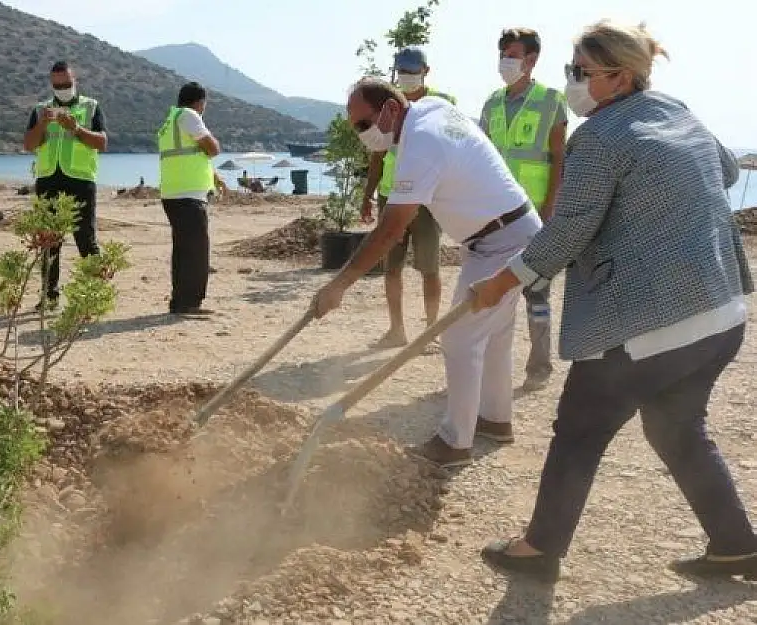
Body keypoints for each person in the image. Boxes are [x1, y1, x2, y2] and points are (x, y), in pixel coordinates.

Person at [472, 20, 757, 583]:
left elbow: (570, 228)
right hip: (720, 312)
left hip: (648, 323)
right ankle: (736, 545)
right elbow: (724, 170)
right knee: (676, 426)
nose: (573, 84)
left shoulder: (598, 138)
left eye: (580, 73)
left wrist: (502, 282)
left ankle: (539, 550)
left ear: (619, 77)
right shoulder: (677, 111)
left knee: (580, 429)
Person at [312, 77, 541, 468]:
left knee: (460, 339)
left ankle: (454, 443)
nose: (362, 135)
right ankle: (495, 420)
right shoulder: (431, 110)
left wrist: (339, 284)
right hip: (506, 232)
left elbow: (390, 230)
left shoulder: (422, 142)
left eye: (363, 125)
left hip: (501, 239)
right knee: (495, 335)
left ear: (390, 109)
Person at [480, 28, 568, 391]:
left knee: (536, 292)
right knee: (491, 290)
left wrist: (550, 208)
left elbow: (560, 158)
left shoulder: (551, 100)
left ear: (531, 60)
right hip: (495, 214)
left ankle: (539, 367)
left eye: (512, 54)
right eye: (502, 52)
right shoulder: (492, 103)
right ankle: (485, 363)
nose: (505, 60)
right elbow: (481, 158)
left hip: (534, 216)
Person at [361, 46, 457, 349]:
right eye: (401, 70)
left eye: (412, 71)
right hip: (392, 195)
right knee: (392, 267)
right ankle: (397, 330)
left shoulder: (443, 104)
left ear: (426, 71)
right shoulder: (387, 106)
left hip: (427, 198)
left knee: (430, 267)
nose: (406, 76)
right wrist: (368, 195)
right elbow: (378, 155)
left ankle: (431, 331)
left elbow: (453, 151)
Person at [23, 60, 106, 311]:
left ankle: (93, 296)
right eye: (57, 85)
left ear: (75, 80)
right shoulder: (41, 110)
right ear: (51, 84)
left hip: (80, 181)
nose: (62, 89)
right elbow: (29, 145)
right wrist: (43, 124)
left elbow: (101, 143)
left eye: (67, 84)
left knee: (86, 239)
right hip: (49, 180)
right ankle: (49, 296)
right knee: (49, 241)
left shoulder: (91, 107)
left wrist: (77, 128)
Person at [157, 82, 228, 316]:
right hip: (188, 195)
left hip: (174, 192)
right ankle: (190, 303)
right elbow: (212, 148)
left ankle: (179, 302)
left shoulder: (170, 121)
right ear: (200, 102)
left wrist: (214, 177)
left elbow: (192, 155)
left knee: (183, 250)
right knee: (197, 251)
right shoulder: (189, 116)